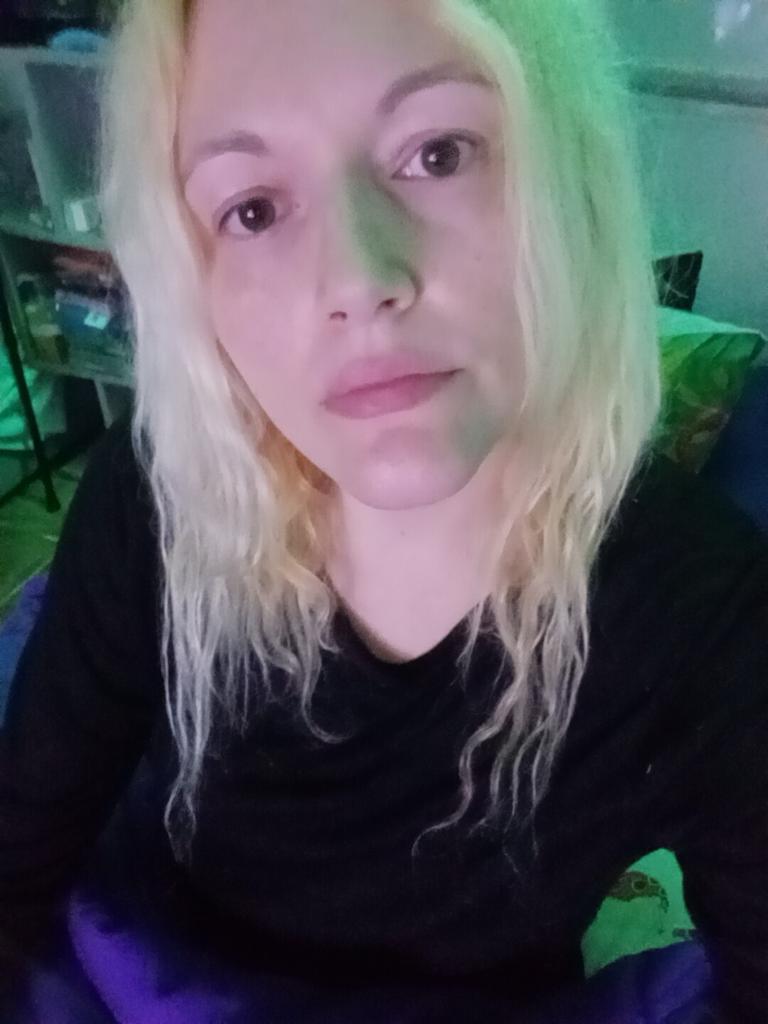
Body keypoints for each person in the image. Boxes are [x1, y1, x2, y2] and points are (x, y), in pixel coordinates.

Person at [0, 0, 766, 1021]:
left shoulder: (704, 607)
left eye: (438, 153)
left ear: (569, 174)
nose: (360, 279)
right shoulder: (157, 505)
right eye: (253, 209)